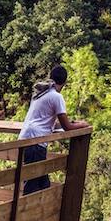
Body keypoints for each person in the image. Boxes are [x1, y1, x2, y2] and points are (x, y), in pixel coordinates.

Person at [18, 64, 90, 195]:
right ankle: (25, 213)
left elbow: (51, 122)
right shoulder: (56, 96)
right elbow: (67, 127)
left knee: (43, 183)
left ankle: (36, 212)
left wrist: (74, 123)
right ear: (64, 82)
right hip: (36, 141)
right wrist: (83, 124)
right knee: (32, 184)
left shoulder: (40, 94)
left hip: (27, 138)